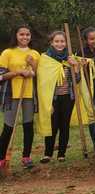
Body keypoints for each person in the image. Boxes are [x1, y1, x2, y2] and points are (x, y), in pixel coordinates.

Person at [0, 25, 40, 170]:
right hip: (12, 94)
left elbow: (37, 73)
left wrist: (32, 65)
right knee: (8, 127)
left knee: (28, 126)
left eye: (27, 35)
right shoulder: (7, 53)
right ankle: (2, 158)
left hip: (28, 94)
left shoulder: (35, 53)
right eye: (21, 34)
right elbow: (1, 75)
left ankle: (26, 157)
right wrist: (18, 72)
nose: (25, 37)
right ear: (16, 35)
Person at [37, 31, 80, 163]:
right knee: (52, 125)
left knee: (64, 125)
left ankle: (62, 153)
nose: (60, 44)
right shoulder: (45, 59)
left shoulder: (70, 58)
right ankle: (47, 154)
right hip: (52, 99)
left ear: (66, 43)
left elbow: (77, 79)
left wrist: (75, 66)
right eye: (57, 41)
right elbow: (42, 80)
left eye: (62, 41)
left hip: (68, 97)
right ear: (51, 43)